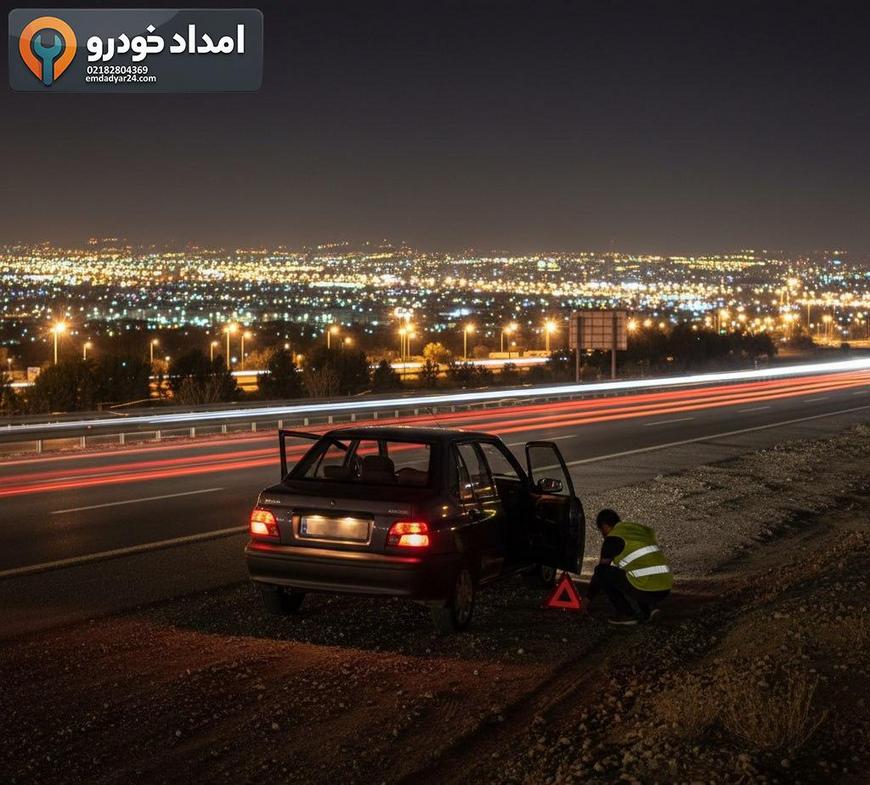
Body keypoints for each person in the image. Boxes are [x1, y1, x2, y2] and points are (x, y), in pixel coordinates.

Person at [586, 508, 672, 626]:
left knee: (603, 572)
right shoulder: (637, 530)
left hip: (647, 587)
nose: (602, 534)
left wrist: (588, 598)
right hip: (665, 586)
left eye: (601, 530)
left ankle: (626, 614)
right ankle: (650, 609)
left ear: (604, 526)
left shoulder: (612, 539)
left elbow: (600, 573)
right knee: (634, 571)